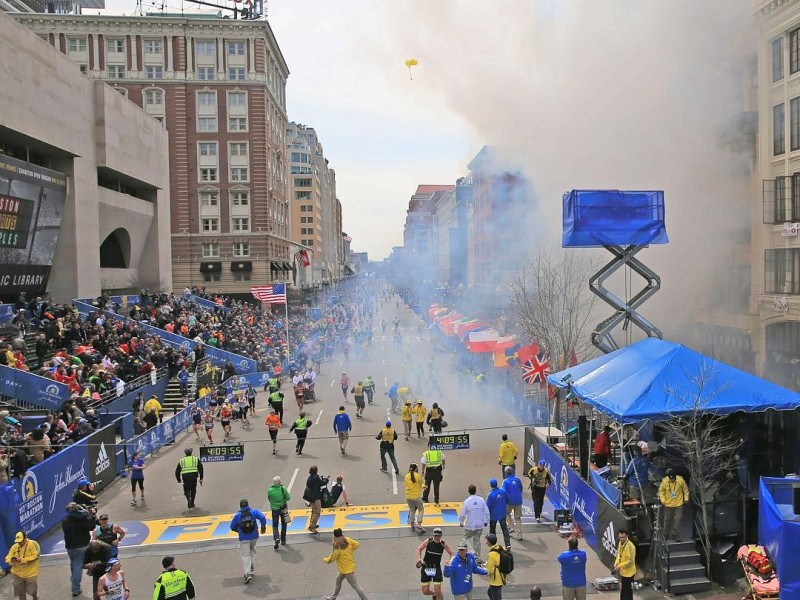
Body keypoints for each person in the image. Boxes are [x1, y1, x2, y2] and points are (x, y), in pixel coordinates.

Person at [63, 501, 98, 597]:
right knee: (78, 565)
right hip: (81, 546)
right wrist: (92, 516)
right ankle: (76, 588)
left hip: (70, 547)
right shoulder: (82, 520)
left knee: (73, 562)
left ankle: (74, 578)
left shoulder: (65, 520)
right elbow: (92, 526)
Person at [322, 528, 368, 600]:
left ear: (335, 536)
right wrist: (350, 551)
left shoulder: (337, 548)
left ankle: (365, 599)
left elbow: (332, 559)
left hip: (347, 571)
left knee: (356, 586)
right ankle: (333, 597)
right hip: (346, 568)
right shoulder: (347, 539)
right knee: (338, 580)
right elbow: (357, 544)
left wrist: (325, 560)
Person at [229, 498, 267, 583]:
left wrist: (239, 531)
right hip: (254, 536)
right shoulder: (254, 512)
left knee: (245, 555)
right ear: (247, 505)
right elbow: (262, 517)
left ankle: (247, 573)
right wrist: (263, 527)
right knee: (252, 549)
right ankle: (252, 564)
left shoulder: (237, 515)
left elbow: (232, 527)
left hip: (243, 538)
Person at [416, 527, 454, 600]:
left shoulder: (443, 544)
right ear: (433, 535)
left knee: (438, 590)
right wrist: (419, 559)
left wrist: (449, 561)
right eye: (435, 535)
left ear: (441, 536)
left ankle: (437, 595)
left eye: (438, 536)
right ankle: (434, 594)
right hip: (426, 567)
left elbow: (451, 553)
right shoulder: (428, 541)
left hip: (436, 568)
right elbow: (419, 549)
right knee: (425, 591)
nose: (437, 537)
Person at [459, 484, 490, 565]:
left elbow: (463, 514)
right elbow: (486, 512)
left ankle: (472, 553)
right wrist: (486, 521)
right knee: (477, 540)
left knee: (466, 538)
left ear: (469, 491)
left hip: (470, 524)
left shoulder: (467, 501)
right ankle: (478, 557)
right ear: (475, 490)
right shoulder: (481, 500)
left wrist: (461, 522)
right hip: (480, 524)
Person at [5, 531, 40, 600]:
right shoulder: (14, 547)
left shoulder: (33, 544)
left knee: (32, 591)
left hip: (31, 573)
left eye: (21, 541)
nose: (19, 543)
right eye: (18, 541)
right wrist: (11, 561)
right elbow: (8, 558)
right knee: (20, 593)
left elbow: (35, 556)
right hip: (17, 574)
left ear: (26, 538)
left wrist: (22, 560)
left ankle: (34, 596)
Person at [658, 468, 689, 541]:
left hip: (678, 503)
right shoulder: (665, 481)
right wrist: (663, 500)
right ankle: (665, 534)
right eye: (670, 479)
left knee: (677, 519)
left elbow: (685, 489)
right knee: (667, 519)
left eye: (673, 479)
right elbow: (661, 491)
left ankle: (675, 534)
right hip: (668, 504)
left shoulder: (680, 480)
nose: (672, 480)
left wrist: (686, 498)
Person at [486, 478, 511, 550]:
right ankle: (508, 544)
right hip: (502, 514)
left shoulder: (490, 495)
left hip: (493, 515)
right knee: (504, 529)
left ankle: (493, 545)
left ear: (491, 485)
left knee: (492, 531)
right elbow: (507, 499)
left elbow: (488, 506)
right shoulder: (503, 491)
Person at [267, 475, 291, 548]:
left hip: (275, 510)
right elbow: (288, 498)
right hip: (283, 508)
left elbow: (269, 499)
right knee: (284, 523)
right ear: (279, 482)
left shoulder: (270, 490)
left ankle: (276, 538)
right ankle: (283, 539)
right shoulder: (282, 488)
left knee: (275, 525)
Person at [612, 529, 636, 600]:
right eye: (620, 537)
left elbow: (630, 561)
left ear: (627, 536)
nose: (622, 539)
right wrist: (616, 563)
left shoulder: (630, 547)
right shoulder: (620, 543)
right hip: (623, 572)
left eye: (623, 537)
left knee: (627, 592)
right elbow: (619, 554)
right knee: (623, 591)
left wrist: (619, 566)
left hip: (629, 573)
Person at [502, 466, 524, 540]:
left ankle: (510, 527)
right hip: (518, 501)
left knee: (506, 513)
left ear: (506, 473)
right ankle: (519, 534)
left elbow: (503, 492)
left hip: (509, 502)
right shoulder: (517, 479)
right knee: (517, 518)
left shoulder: (505, 481)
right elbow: (521, 488)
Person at [421, 439, 445, 506]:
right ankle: (436, 500)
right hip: (437, 471)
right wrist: (443, 466)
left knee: (427, 485)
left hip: (429, 471)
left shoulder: (426, 453)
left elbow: (423, 463)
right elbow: (443, 459)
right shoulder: (439, 452)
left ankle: (425, 498)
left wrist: (422, 471)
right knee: (436, 486)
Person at [485, 533, 506, 600]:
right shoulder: (501, 548)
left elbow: (490, 570)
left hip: (495, 580)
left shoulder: (491, 554)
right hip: (502, 575)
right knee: (490, 593)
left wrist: (484, 569)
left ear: (490, 542)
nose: (486, 542)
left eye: (487, 541)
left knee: (496, 597)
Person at [405, 463, 426, 532]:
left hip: (408, 496)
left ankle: (412, 524)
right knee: (421, 510)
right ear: (416, 469)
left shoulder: (406, 476)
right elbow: (421, 484)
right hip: (416, 496)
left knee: (412, 510)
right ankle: (419, 523)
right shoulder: (418, 476)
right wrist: (424, 487)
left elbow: (405, 484)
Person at [304, 464, 324, 533]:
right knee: (317, 512)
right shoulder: (316, 478)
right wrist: (326, 480)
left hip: (311, 497)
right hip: (315, 497)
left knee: (313, 511)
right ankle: (312, 526)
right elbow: (322, 483)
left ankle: (311, 524)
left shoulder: (309, 478)